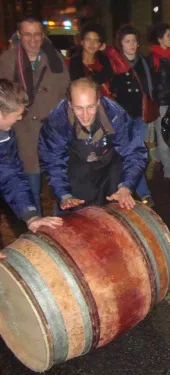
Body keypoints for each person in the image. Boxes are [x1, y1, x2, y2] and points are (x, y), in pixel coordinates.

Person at [38, 78, 147, 212]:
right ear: (70, 104)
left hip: (109, 173)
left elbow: (134, 151)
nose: (85, 115)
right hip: (75, 175)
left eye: (90, 107)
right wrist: (64, 195)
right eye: (79, 108)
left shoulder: (114, 115)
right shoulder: (56, 121)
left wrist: (125, 187)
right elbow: (52, 161)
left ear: (98, 102)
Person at [0, 16, 70, 215]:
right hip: (23, 134)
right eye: (27, 35)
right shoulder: (7, 60)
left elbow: (66, 92)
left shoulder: (55, 59)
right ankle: (34, 228)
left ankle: (60, 230)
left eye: (37, 35)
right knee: (29, 188)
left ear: (43, 36)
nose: (33, 40)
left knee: (60, 187)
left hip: (52, 133)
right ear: (19, 35)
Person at [0, 79, 62, 253]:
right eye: (17, 114)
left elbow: (10, 175)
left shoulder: (4, 135)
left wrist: (31, 217)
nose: (21, 118)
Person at [107, 24, 154, 206]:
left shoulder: (143, 62)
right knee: (130, 155)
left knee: (137, 154)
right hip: (121, 118)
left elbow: (150, 86)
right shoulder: (114, 64)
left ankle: (136, 190)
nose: (132, 45)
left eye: (134, 40)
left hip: (140, 115)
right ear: (121, 44)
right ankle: (143, 192)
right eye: (127, 41)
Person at [148, 22, 170, 185]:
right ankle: (169, 171)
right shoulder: (153, 58)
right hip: (161, 103)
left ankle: (157, 155)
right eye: (168, 35)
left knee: (168, 134)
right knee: (163, 136)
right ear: (160, 39)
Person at [68, 23, 113, 96]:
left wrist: (108, 49)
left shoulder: (105, 63)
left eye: (96, 41)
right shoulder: (71, 63)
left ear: (100, 44)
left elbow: (123, 68)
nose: (92, 44)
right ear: (82, 42)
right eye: (88, 39)